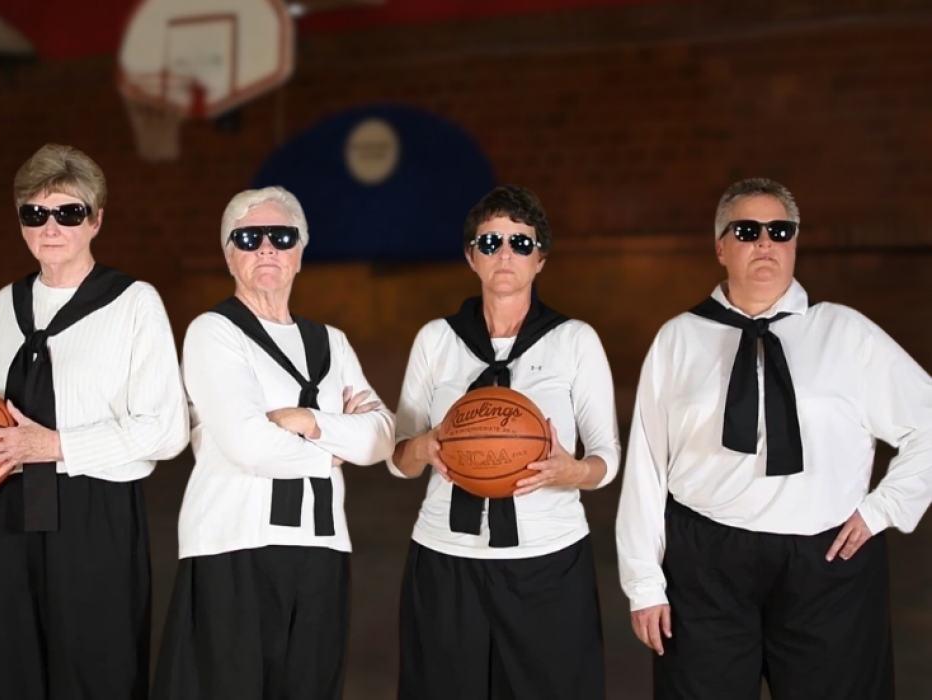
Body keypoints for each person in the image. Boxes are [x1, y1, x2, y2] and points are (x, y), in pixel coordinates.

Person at [617, 178, 932, 700]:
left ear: (793, 243)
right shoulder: (680, 337)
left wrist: (884, 509)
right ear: (720, 247)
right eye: (747, 230)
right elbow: (647, 467)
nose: (765, 242)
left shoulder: (845, 332)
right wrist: (644, 582)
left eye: (779, 231)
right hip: (704, 565)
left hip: (828, 564)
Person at [0, 143, 188, 700]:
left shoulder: (133, 302)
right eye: (35, 214)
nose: (51, 227)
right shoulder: (6, 303)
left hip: (96, 515)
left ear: (96, 220)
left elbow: (167, 429)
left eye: (69, 212)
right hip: (7, 510)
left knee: (95, 671)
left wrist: (56, 445)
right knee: (8, 667)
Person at [152, 186, 395, 700]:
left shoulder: (332, 341)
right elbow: (249, 443)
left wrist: (305, 418)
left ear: (300, 252)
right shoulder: (213, 333)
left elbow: (382, 438)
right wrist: (334, 445)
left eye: (281, 237)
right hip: (233, 544)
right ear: (229, 254)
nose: (267, 248)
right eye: (249, 237)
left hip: (322, 547)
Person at [389, 184, 619, 700]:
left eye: (521, 242)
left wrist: (572, 471)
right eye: (491, 243)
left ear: (541, 259)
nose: (506, 254)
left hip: (548, 560)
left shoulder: (574, 339)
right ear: (472, 257)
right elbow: (399, 459)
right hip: (446, 559)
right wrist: (426, 448)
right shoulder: (437, 339)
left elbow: (608, 456)